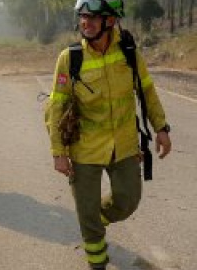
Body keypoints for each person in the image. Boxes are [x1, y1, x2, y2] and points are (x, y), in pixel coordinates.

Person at [45, 1, 172, 269]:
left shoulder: (128, 51)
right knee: (88, 218)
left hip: (124, 145)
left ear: (111, 21)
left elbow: (147, 91)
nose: (85, 22)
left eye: (93, 17)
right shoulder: (70, 58)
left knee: (128, 201)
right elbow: (56, 108)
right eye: (83, 17)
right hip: (84, 150)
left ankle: (93, 217)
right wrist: (58, 153)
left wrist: (161, 128)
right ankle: (97, 261)